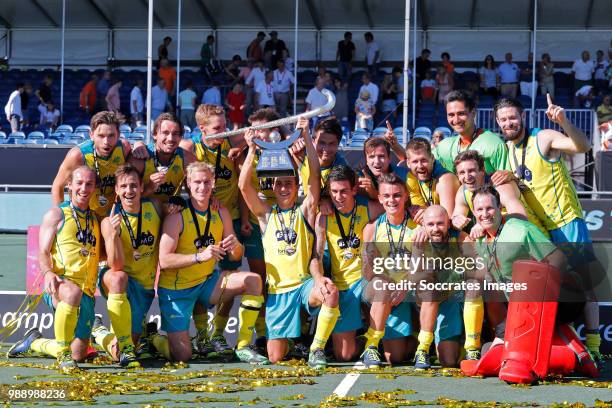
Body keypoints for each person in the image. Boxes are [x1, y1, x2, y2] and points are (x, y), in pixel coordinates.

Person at [494, 96, 605, 363]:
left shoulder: (542, 137)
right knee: (547, 291)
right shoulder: (506, 150)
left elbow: (583, 146)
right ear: (498, 122)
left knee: (586, 286)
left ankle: (594, 346)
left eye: (512, 117)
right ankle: (548, 343)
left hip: (566, 224)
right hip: (537, 232)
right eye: (503, 119)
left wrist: (564, 121)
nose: (509, 122)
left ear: (522, 116)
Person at [239, 117, 341, 369]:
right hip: (278, 292)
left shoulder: (305, 210)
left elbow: (315, 176)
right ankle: (293, 339)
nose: (283, 188)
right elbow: (243, 186)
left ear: (296, 187)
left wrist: (306, 137)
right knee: (275, 357)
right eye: (279, 183)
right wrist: (251, 148)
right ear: (273, 186)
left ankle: (316, 349)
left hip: (304, 285)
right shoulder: (265, 215)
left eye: (289, 183)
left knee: (330, 292)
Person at [155, 162, 268, 364]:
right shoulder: (177, 214)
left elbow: (235, 256)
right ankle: (155, 340)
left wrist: (236, 246)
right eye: (197, 182)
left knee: (253, 280)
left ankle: (242, 346)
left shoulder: (220, 211)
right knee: (183, 356)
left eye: (207, 182)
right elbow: (164, 260)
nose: (202, 187)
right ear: (188, 184)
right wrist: (199, 256)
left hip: (207, 283)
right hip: (177, 290)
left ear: (213, 182)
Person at [9, 166, 100, 372]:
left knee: (79, 353)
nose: (83, 188)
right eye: (79, 183)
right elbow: (42, 251)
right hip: (61, 283)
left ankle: (34, 342)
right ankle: (63, 355)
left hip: (86, 291)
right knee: (71, 292)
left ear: (94, 188)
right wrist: (48, 272)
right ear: (69, 184)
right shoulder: (57, 213)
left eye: (89, 184)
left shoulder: (95, 218)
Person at [180, 104, 246, 356]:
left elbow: (261, 128)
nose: (222, 133)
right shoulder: (190, 148)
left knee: (231, 276)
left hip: (231, 219)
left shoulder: (231, 143)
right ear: (202, 129)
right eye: (216, 129)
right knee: (198, 275)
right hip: (200, 220)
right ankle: (202, 335)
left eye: (224, 126)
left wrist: (247, 143)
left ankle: (218, 333)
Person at [471, 184, 567, 336]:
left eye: (489, 208)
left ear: (499, 208)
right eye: (479, 210)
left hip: (546, 304)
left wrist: (537, 294)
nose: (485, 214)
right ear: (473, 212)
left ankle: (582, 354)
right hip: (518, 309)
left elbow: (558, 259)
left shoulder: (521, 230)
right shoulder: (480, 240)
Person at [91, 164, 162, 368]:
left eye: (133, 186)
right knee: (119, 277)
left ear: (141, 187)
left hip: (144, 286)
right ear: (116, 190)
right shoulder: (108, 221)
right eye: (123, 186)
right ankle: (101, 333)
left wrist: (177, 204)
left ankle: (104, 333)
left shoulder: (155, 207)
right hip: (116, 279)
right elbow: (115, 264)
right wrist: (113, 237)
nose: (128, 191)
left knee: (129, 342)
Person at [314, 165, 383, 362]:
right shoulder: (324, 217)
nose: (338, 197)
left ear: (354, 190)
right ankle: (367, 339)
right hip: (342, 286)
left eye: (344, 191)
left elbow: (395, 206)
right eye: (334, 192)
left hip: (364, 280)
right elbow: (316, 257)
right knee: (345, 355)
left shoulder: (368, 209)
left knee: (380, 288)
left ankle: (373, 344)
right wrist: (319, 278)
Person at [411, 205, 484, 368]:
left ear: (449, 223)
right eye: (430, 224)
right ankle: (422, 349)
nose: (435, 229)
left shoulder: (460, 238)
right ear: (423, 225)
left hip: (451, 299)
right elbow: (414, 277)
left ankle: (472, 347)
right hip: (426, 301)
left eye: (440, 224)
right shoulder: (419, 239)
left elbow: (480, 267)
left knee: (448, 361)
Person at [361, 173, 418, 366]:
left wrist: (404, 286)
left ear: (406, 196)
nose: (391, 200)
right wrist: (368, 257)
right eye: (386, 196)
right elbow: (367, 274)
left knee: (395, 358)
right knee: (382, 284)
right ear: (379, 198)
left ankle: (417, 337)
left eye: (396, 195)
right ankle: (371, 345)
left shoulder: (417, 225)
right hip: (379, 289)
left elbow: (423, 265)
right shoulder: (372, 228)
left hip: (405, 290)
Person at [451, 150, 547, 238]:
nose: (467, 177)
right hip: (501, 242)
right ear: (458, 176)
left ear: (482, 170)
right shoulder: (463, 192)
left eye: (472, 171)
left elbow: (521, 217)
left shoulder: (501, 187)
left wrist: (483, 223)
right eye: (462, 173)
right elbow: (455, 220)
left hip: (534, 240)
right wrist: (456, 220)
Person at [52, 111, 131, 218]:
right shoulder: (78, 155)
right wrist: (62, 218)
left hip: (113, 213)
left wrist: (140, 145)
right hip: (85, 214)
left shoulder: (124, 148)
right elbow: (58, 186)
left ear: (118, 135)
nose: (106, 141)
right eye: (101, 136)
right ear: (91, 135)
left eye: (111, 135)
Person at [433, 90, 509, 175]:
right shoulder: (444, 146)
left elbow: (507, 182)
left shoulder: (493, 144)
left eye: (461, 114)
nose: (456, 120)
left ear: (473, 113)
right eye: (451, 115)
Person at [134, 113, 194, 204]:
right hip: (142, 213)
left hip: (171, 213)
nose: (170, 138)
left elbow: (196, 195)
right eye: (165, 133)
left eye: (175, 134)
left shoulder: (187, 159)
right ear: (154, 134)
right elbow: (126, 200)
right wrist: (149, 188)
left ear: (181, 137)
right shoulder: (140, 158)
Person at [402, 138, 460, 220]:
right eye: (415, 162)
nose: (420, 166)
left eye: (423, 160)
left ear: (432, 158)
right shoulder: (412, 177)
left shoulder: (444, 180)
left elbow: (448, 220)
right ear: (408, 163)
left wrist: (425, 216)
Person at [294, 117, 348, 198]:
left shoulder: (341, 166)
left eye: (331, 143)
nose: (326, 149)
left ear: (338, 144)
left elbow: (321, 196)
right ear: (313, 141)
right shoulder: (302, 155)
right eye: (322, 143)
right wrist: (296, 134)